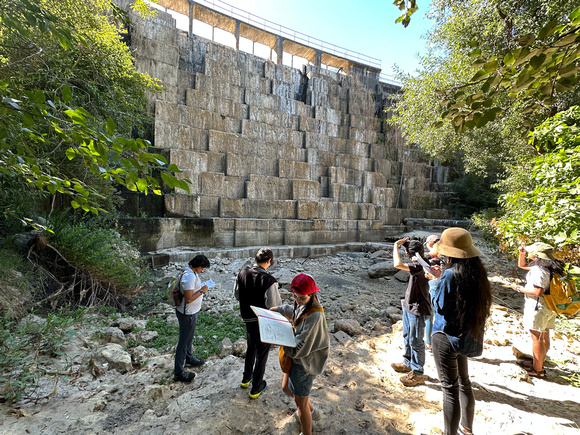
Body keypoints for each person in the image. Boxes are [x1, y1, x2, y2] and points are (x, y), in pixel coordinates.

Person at [427, 228, 492, 435]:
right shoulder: (477, 273)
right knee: (464, 382)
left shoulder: (448, 275)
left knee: (449, 389)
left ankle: (450, 433)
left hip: (445, 336)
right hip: (466, 335)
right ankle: (467, 427)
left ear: (449, 253)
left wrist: (433, 283)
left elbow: (439, 307)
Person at [272, 274, 330, 435]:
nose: (297, 300)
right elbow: (296, 313)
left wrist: (280, 339)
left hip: (305, 363)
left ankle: (307, 429)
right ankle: (312, 412)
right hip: (296, 359)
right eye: (295, 296)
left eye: (302, 298)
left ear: (312, 295)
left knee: (300, 403)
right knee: (286, 388)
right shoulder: (304, 304)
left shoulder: (315, 315)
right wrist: (279, 309)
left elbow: (300, 348)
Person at [234, 247, 281, 399]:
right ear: (269, 261)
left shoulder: (242, 273)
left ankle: (246, 378)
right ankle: (257, 387)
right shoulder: (269, 281)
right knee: (262, 353)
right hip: (263, 322)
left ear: (255, 259)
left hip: (248, 319)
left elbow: (237, 294)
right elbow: (274, 306)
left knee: (251, 348)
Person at [512, 242, 565, 378]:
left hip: (538, 306)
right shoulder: (552, 266)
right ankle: (539, 362)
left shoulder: (538, 270)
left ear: (536, 255)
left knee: (537, 337)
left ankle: (537, 370)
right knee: (544, 334)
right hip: (550, 306)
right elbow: (522, 265)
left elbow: (537, 291)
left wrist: (517, 288)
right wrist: (522, 254)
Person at [391, 237, 432, 386]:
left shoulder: (421, 265)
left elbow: (397, 264)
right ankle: (408, 362)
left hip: (418, 307)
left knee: (416, 340)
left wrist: (396, 246)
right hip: (409, 304)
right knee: (408, 336)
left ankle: (418, 372)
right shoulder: (421, 261)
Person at [174, 254, 211, 382]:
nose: (203, 270)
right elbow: (189, 299)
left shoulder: (191, 272)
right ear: (198, 266)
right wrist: (202, 290)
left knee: (188, 338)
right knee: (183, 342)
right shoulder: (189, 276)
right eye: (203, 268)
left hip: (191, 312)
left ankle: (189, 358)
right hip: (187, 314)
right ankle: (178, 372)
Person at [424, 235, 441, 349]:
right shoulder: (446, 249)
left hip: (434, 283)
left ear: (429, 244)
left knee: (430, 313)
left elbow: (427, 257)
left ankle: (430, 342)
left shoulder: (435, 250)